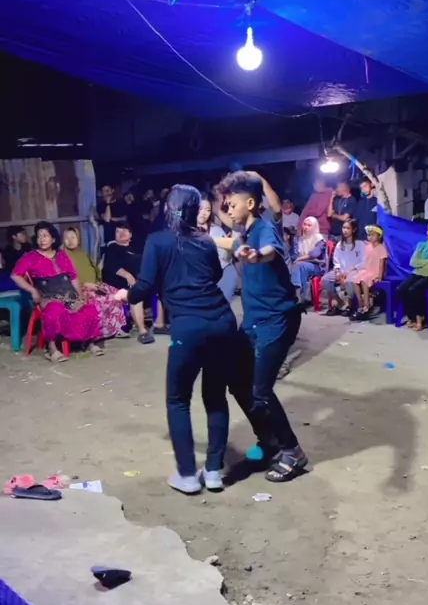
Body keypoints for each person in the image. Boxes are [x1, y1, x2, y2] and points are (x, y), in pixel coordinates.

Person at [114, 185, 238, 495]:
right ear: (196, 210)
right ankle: (213, 472)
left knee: (178, 400)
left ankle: (187, 475)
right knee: (215, 397)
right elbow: (215, 276)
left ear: (168, 207)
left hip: (188, 328)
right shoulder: (205, 241)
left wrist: (125, 295)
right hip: (223, 323)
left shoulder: (157, 241)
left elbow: (144, 286)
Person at [218, 171, 308, 483]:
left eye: (233, 204)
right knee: (237, 380)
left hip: (277, 319)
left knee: (261, 391)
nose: (228, 209)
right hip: (254, 320)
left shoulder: (265, 227)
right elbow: (226, 232)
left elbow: (269, 251)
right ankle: (269, 440)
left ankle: (293, 452)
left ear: (250, 203)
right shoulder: (242, 231)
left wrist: (256, 256)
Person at [11, 221, 103, 362]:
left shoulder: (61, 256)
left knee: (89, 309)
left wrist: (79, 294)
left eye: (45, 236)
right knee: (54, 310)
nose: (42, 239)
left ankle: (89, 343)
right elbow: (15, 275)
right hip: (47, 296)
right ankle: (52, 348)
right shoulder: (30, 257)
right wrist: (33, 290)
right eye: (39, 236)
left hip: (68, 295)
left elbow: (73, 277)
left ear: (53, 239)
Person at [102, 223, 168, 342]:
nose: (121, 233)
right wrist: (128, 276)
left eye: (124, 231)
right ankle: (142, 332)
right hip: (120, 284)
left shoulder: (137, 248)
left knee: (160, 289)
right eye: (118, 231)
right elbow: (111, 266)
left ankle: (159, 325)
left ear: (130, 234)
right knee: (136, 294)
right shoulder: (112, 249)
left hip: (140, 281)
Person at [62, 227, 129, 339]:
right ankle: (99, 333)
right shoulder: (62, 256)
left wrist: (98, 283)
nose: (70, 240)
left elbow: (93, 269)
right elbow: (66, 278)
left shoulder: (82, 253)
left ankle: (116, 328)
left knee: (117, 295)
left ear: (78, 239)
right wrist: (86, 285)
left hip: (94, 285)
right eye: (67, 238)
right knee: (102, 301)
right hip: (78, 289)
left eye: (73, 237)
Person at [396, 220, 428, 331]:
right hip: (418, 273)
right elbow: (413, 262)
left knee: (415, 290)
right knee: (401, 289)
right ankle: (412, 317)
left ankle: (421, 320)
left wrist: (422, 262)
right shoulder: (422, 245)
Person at [197, 194, 237, 303]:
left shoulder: (215, 230)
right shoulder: (185, 229)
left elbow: (225, 258)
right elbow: (171, 213)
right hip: (200, 280)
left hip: (224, 275)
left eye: (208, 210)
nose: (204, 213)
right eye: (200, 208)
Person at [323, 219, 366, 315]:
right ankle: (340, 302)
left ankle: (350, 305)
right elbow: (336, 260)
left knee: (349, 281)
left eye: (348, 228)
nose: (345, 230)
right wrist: (337, 271)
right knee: (325, 280)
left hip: (355, 271)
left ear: (354, 230)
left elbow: (363, 261)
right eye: (344, 228)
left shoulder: (360, 244)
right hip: (342, 270)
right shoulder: (340, 244)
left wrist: (350, 271)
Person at [352, 225, 388, 318]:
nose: (370, 237)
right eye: (369, 235)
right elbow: (365, 260)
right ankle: (360, 303)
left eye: (373, 235)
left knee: (364, 280)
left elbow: (382, 263)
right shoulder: (367, 247)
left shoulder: (381, 248)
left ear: (379, 236)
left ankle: (367, 305)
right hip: (366, 270)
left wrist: (380, 276)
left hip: (374, 272)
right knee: (355, 280)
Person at [290, 216, 327, 303]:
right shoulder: (300, 239)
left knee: (299, 266)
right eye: (304, 224)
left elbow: (315, 254)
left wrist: (300, 258)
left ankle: (297, 292)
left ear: (314, 227)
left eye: (309, 225)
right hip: (302, 265)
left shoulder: (319, 238)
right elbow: (294, 255)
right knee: (297, 266)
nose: (305, 227)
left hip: (318, 266)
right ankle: (300, 296)